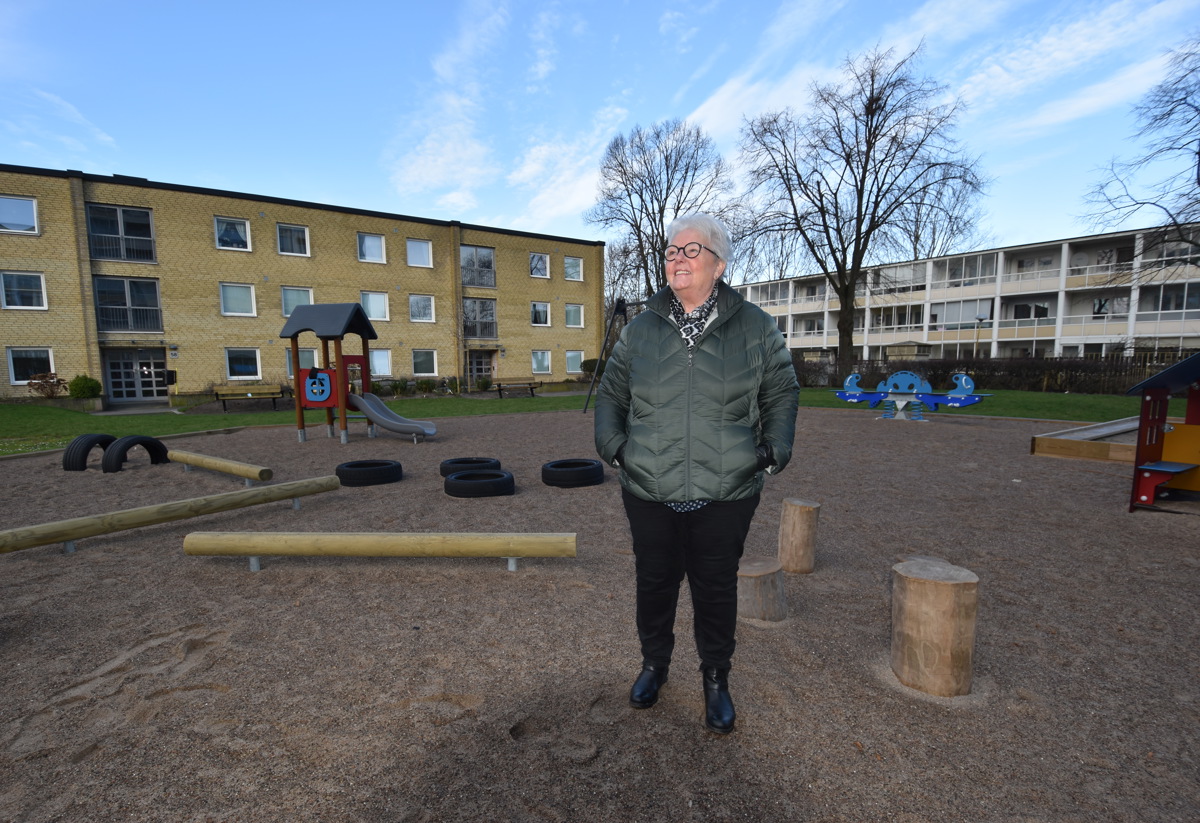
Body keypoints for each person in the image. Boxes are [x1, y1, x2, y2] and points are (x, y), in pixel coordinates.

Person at [594, 213, 799, 734]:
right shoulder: (640, 328)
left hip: (726, 487)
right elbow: (612, 394)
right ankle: (654, 666)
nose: (676, 259)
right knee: (655, 583)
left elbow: (781, 392)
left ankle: (716, 678)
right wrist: (615, 448)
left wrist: (770, 449)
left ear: (719, 263)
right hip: (649, 485)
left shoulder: (755, 326)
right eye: (670, 251)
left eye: (690, 250)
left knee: (714, 589)